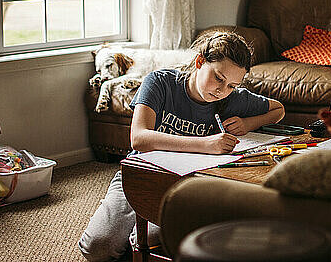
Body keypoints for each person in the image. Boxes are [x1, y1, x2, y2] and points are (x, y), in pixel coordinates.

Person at [78, 31, 285, 262]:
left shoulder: (230, 98)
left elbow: (278, 110)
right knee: (96, 247)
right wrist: (205, 144)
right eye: (218, 78)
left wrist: (247, 123)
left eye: (231, 86)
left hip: (184, 186)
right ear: (199, 62)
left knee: (157, 241)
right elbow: (139, 138)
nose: (221, 90)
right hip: (140, 175)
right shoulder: (160, 83)